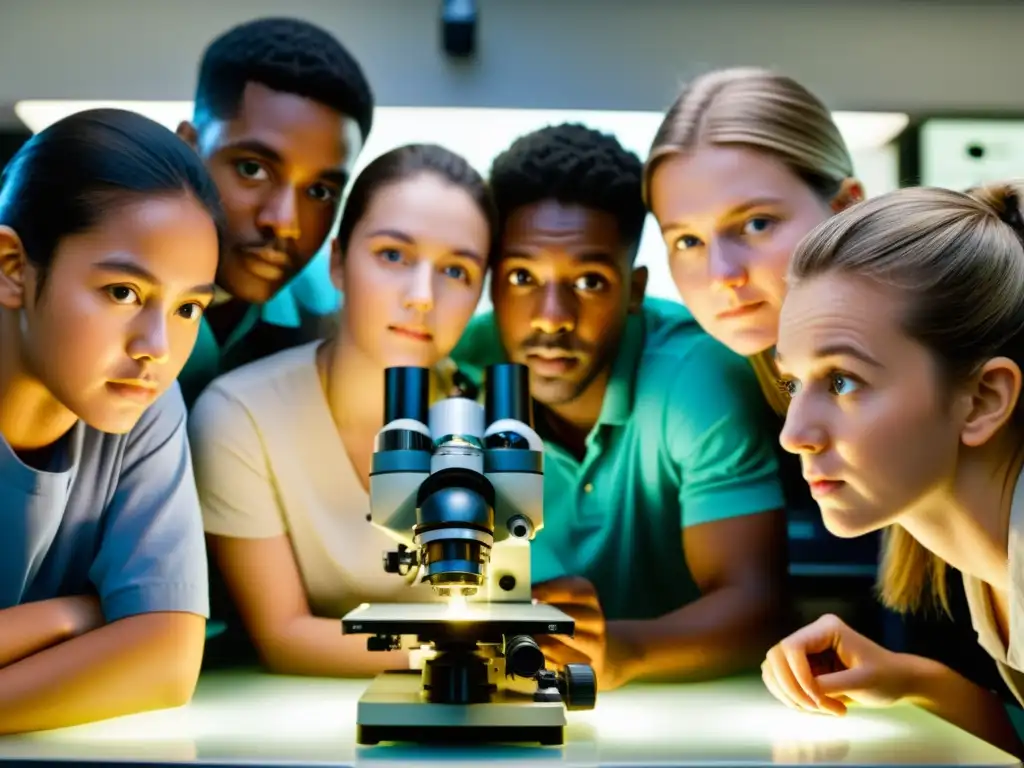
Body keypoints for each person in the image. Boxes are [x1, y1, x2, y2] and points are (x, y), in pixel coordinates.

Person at [451, 123, 789, 691]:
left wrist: (619, 652)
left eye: (588, 281)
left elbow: (757, 607)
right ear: (491, 285)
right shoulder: (453, 371)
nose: (551, 316)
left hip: (686, 712)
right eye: (522, 277)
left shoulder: (697, 379)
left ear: (634, 290)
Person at [187, 144, 495, 677]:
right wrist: (468, 650)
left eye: (457, 271)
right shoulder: (241, 417)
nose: (422, 296)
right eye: (393, 256)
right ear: (337, 262)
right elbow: (283, 636)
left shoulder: (498, 424)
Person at [761, 183, 1024, 756]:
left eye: (842, 381)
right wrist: (910, 680)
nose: (794, 433)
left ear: (982, 399)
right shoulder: (991, 556)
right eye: (791, 383)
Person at [0, 109, 223, 733]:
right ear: (13, 266)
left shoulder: (145, 402)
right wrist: (84, 616)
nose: (156, 345)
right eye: (123, 292)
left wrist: (140, 625)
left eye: (187, 308)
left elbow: (168, 662)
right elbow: (150, 637)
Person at [175, 17, 375, 405]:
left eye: (319, 191)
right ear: (188, 149)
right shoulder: (95, 285)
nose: (284, 222)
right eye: (253, 169)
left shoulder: (334, 323)